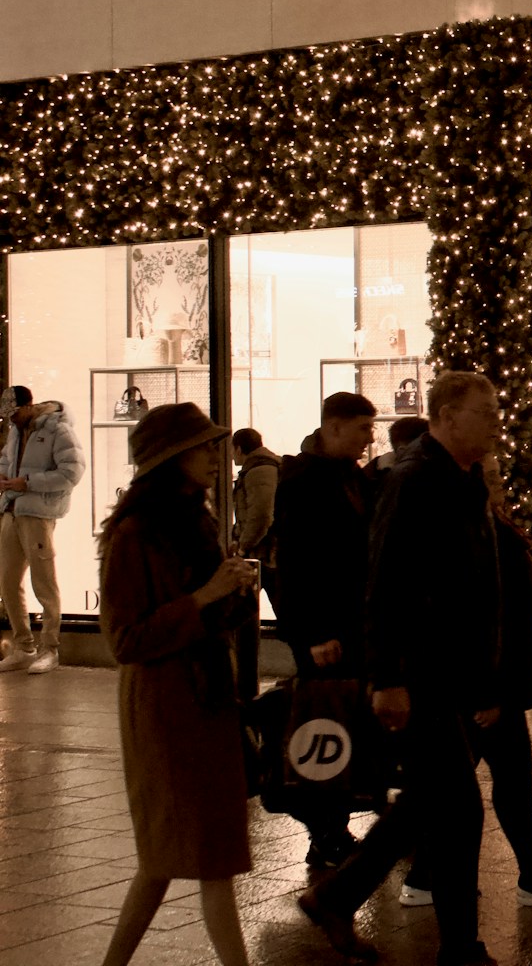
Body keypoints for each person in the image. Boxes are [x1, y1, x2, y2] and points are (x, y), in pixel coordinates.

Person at [300, 372, 506, 966]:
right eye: (484, 410)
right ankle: (460, 949)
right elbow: (385, 582)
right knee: (460, 809)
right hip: (419, 674)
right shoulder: (416, 480)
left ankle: (336, 896)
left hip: (449, 674)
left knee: (424, 801)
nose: (496, 420)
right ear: (445, 416)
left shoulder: (462, 479)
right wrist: (387, 678)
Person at [96, 403, 258, 966]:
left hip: (208, 702)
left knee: (172, 855)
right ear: (169, 459)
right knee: (199, 855)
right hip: (166, 711)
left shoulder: (199, 521)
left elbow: (210, 615)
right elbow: (125, 640)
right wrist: (207, 596)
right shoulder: (133, 535)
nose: (215, 458)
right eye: (201, 449)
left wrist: (237, 594)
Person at [401, 453, 532, 912]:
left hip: (493, 681)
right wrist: (490, 690)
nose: (500, 484)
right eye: (490, 477)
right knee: (477, 783)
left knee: (499, 779)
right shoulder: (470, 533)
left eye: (499, 476)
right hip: (482, 685)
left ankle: (438, 874)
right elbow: (479, 618)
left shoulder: (489, 527)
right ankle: (443, 877)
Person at [273, 392, 378, 868]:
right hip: (324, 633)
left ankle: (337, 826)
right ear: (333, 428)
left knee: (349, 725)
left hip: (352, 627)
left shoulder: (350, 476)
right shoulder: (302, 482)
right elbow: (296, 566)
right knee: (324, 725)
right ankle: (326, 831)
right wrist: (313, 634)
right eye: (361, 428)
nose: (369, 437)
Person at [0, 385, 84, 674]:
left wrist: (29, 482)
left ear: (28, 406)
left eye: (14, 413)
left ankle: (50, 648)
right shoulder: (15, 431)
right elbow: (7, 459)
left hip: (38, 513)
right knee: (8, 581)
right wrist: (4, 475)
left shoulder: (59, 430)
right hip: (12, 510)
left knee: (44, 582)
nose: (11, 420)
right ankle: (23, 646)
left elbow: (72, 472)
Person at [230, 428, 279, 560]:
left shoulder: (258, 472)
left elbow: (261, 516)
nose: (231, 455)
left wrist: (243, 546)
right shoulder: (259, 468)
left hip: (265, 552)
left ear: (239, 449)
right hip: (265, 549)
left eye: (232, 450)